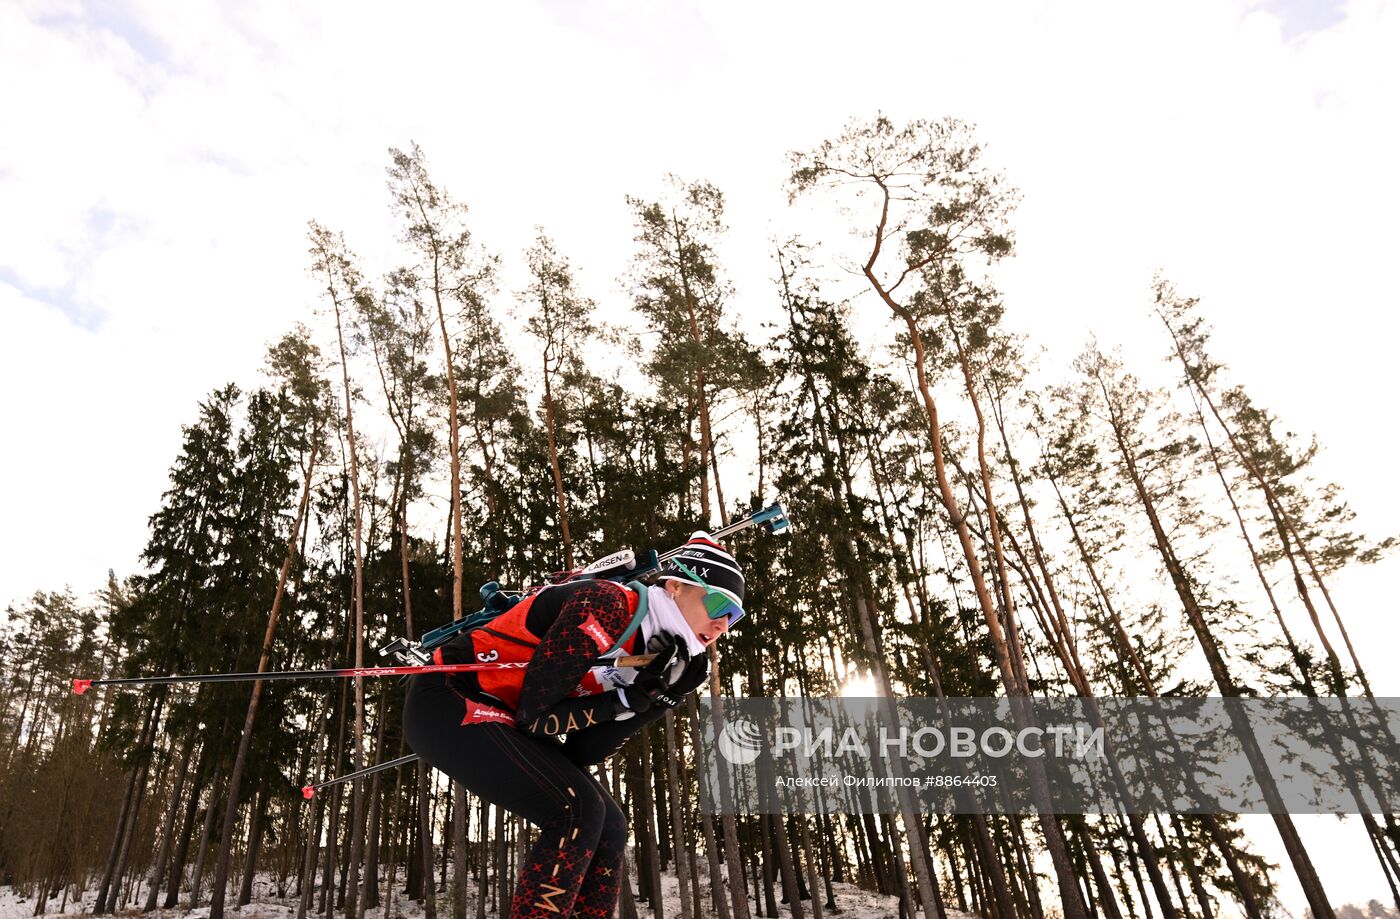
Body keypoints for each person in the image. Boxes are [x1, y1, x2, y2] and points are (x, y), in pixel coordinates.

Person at [402, 533, 746, 919]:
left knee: (611, 825)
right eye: (717, 603)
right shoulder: (607, 603)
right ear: (676, 585)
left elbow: (584, 751)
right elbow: (537, 717)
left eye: (732, 617)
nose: (722, 625)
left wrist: (652, 700)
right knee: (576, 810)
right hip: (450, 696)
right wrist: (623, 700)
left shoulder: (669, 655)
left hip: (506, 716)